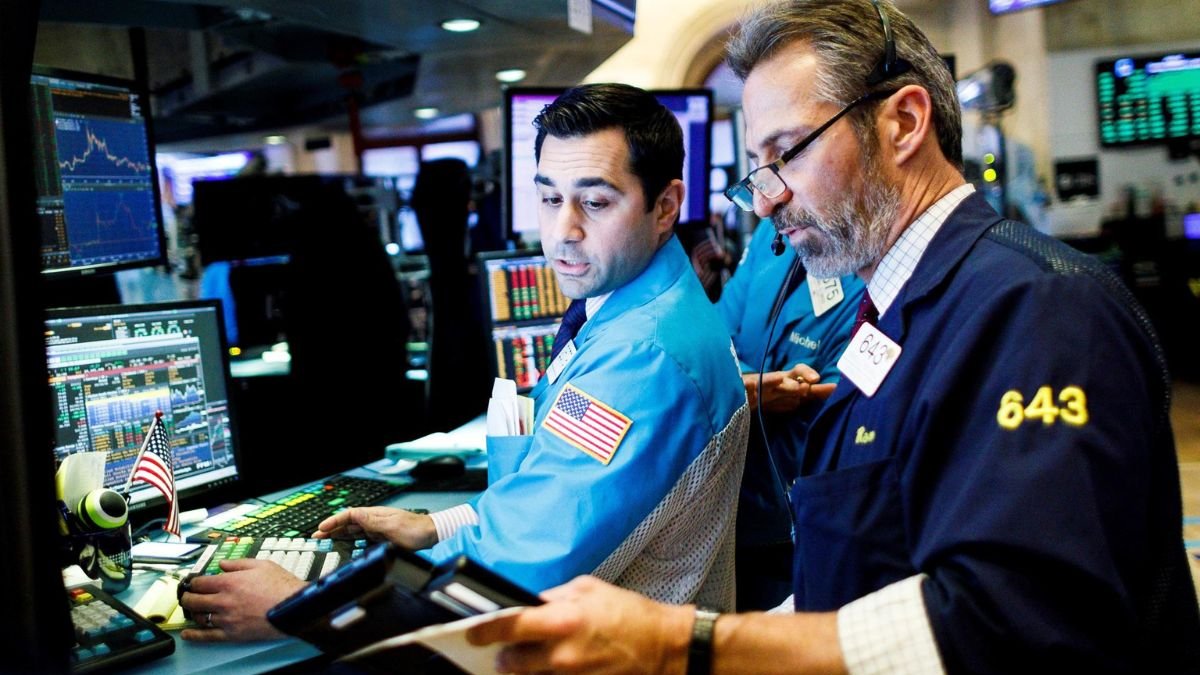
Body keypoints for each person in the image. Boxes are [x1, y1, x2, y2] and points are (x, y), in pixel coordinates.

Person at [467, 1, 1200, 672]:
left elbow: (1013, 619)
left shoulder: (1037, 309)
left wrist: (679, 642)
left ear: (905, 123)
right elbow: (858, 583)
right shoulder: (895, 312)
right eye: (759, 166)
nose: (770, 195)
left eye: (789, 152)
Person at [179, 82, 749, 642]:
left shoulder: (640, 356)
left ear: (666, 206)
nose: (562, 232)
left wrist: (298, 604)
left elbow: (501, 581)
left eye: (596, 202)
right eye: (550, 198)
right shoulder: (643, 302)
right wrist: (437, 526)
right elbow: (546, 501)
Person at [715, 218, 863, 610]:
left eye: (781, 153)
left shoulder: (868, 269)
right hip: (726, 509)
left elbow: (831, 407)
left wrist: (735, 380)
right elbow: (713, 341)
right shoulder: (773, 233)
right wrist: (749, 389)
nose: (768, 196)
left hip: (787, 527)